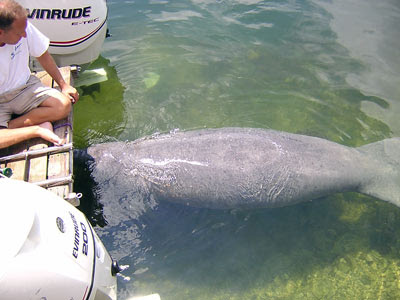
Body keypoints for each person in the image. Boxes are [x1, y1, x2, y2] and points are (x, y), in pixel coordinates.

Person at [0, 0, 79, 149]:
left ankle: (8, 129)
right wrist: (35, 130)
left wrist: (63, 85)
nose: (24, 34)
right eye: (19, 33)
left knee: (63, 105)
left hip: (24, 87)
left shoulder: (23, 26)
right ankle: (36, 129)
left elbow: (43, 55)